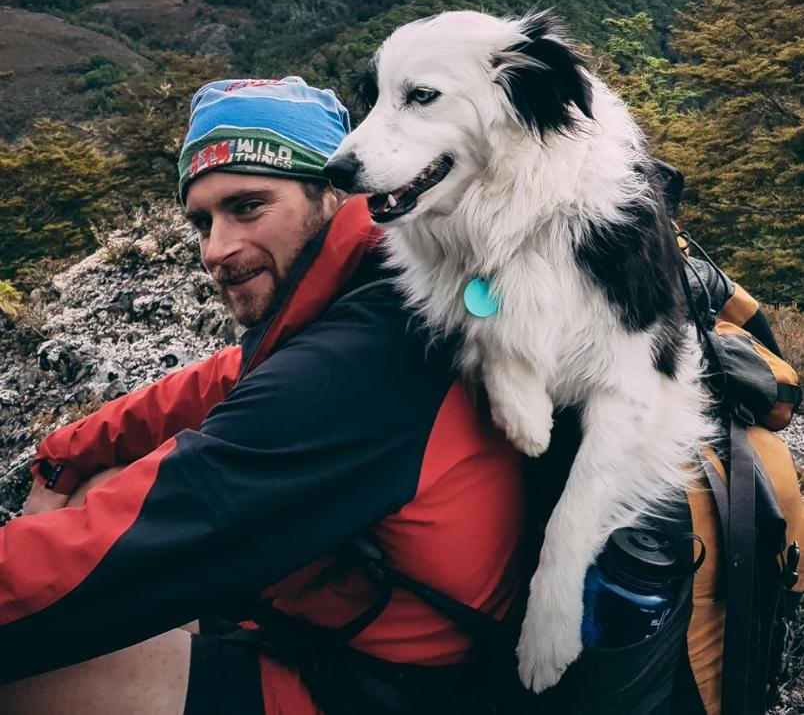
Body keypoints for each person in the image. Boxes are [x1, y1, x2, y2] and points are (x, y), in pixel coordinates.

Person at [0, 77, 525, 715]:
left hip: (380, 691)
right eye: (202, 220)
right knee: (93, 486)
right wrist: (65, 455)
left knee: (23, 676)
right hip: (352, 634)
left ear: (336, 192)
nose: (216, 249)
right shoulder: (375, 291)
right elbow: (218, 378)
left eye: (248, 206)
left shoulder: (362, 364)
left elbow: (138, 534)